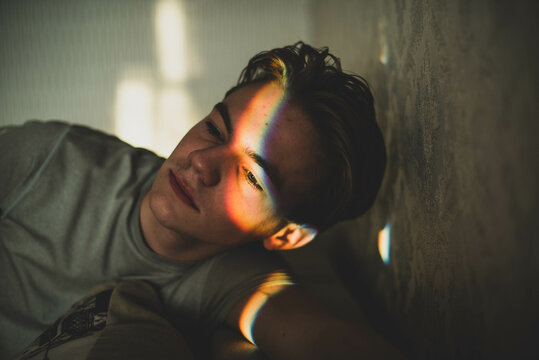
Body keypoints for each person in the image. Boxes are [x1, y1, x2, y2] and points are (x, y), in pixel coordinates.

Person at [0, 42, 402, 359]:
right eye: (214, 129)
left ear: (286, 236)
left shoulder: (237, 280)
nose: (200, 163)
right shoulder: (49, 158)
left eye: (249, 174)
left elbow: (320, 339)